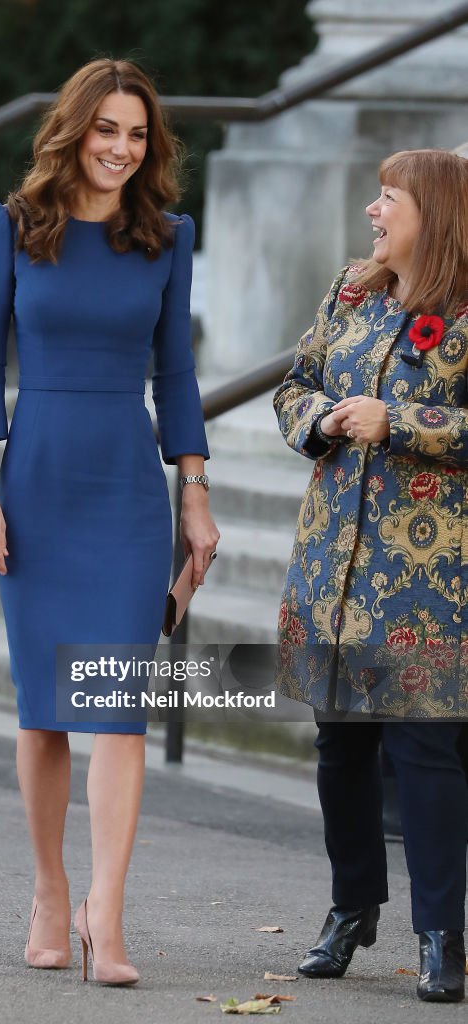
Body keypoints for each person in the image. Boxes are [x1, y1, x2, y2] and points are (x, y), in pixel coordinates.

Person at [0, 58, 219, 987]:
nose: (121, 147)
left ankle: (107, 914)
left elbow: (175, 373)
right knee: (44, 712)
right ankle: (49, 891)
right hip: (37, 483)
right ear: (73, 130)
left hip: (126, 490)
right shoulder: (15, 226)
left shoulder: (165, 236)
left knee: (118, 708)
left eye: (137, 134)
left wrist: (194, 489)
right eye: (106, 129)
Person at [273, 149, 468, 1003]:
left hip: (426, 575)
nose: (371, 212)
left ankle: (440, 934)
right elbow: (292, 387)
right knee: (338, 744)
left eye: (386, 198)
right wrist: (320, 417)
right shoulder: (349, 292)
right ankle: (351, 910)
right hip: (331, 566)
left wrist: (404, 422)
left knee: (425, 749)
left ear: (430, 212)